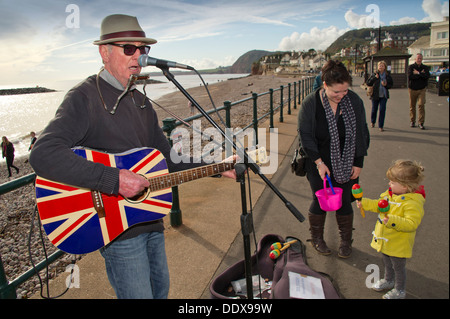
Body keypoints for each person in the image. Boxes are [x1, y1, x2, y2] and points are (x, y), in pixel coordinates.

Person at [29, 14, 235, 299]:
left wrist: (216, 166)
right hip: (116, 229)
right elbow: (43, 153)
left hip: (148, 215)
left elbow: (167, 159)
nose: (139, 56)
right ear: (105, 52)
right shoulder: (84, 97)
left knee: (161, 292)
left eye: (143, 49)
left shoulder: (140, 101)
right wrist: (114, 179)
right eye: (130, 48)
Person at [298, 60, 370, 258]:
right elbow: (305, 135)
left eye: (345, 91)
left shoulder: (354, 101)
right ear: (325, 85)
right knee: (320, 199)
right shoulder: (311, 103)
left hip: (347, 160)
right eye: (336, 92)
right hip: (317, 159)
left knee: (345, 200)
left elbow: (361, 133)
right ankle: (317, 238)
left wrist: (358, 162)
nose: (341, 96)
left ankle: (346, 242)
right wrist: (319, 163)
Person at [356, 160, 425, 299]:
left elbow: (412, 223)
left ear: (405, 187)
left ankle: (400, 290)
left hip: (398, 243)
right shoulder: (390, 195)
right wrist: (364, 203)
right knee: (387, 263)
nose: (389, 184)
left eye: (393, 182)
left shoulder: (413, 203)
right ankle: (389, 280)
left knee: (398, 268)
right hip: (386, 241)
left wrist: (392, 221)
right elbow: (379, 205)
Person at [366, 61, 393, 132]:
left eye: (382, 66)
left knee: (382, 110)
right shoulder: (375, 74)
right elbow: (368, 82)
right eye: (380, 66)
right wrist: (375, 78)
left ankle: (381, 125)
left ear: (385, 67)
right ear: (377, 67)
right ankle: (373, 121)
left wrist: (386, 85)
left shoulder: (387, 75)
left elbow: (391, 84)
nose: (381, 67)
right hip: (375, 95)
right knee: (374, 109)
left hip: (383, 95)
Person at [408, 53, 430, 129]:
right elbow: (410, 77)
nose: (419, 60)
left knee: (421, 105)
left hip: (422, 89)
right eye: (418, 58)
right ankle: (412, 121)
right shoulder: (411, 67)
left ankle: (421, 122)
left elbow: (427, 76)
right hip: (412, 89)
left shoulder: (425, 67)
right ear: (415, 59)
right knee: (412, 106)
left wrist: (418, 73)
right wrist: (421, 75)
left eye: (420, 58)